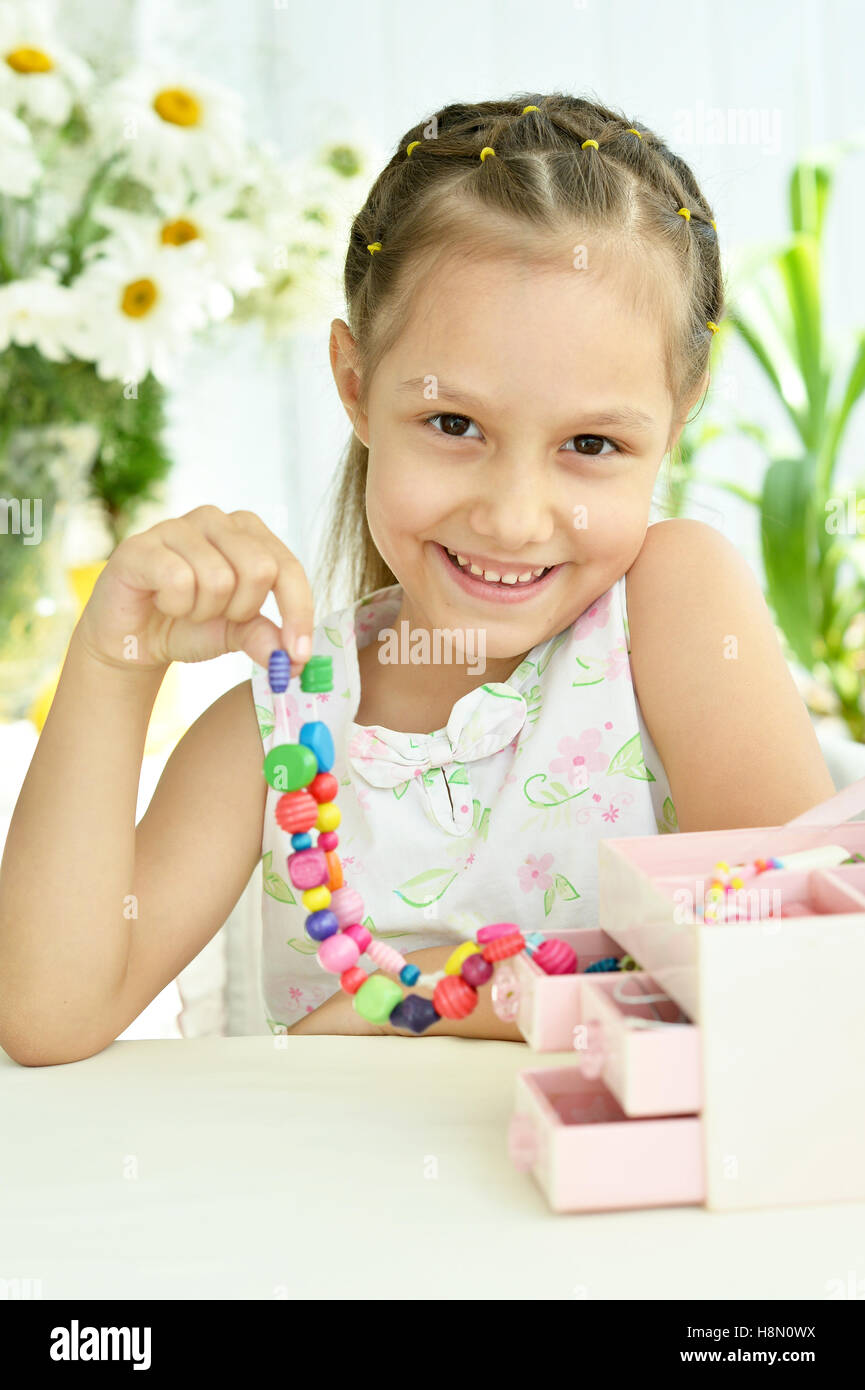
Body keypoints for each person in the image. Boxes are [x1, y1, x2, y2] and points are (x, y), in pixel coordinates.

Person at [0, 93, 834, 1064]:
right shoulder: (275, 739)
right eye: (453, 425)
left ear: (677, 418)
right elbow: (46, 1015)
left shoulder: (669, 610)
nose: (514, 514)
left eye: (591, 443)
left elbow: (790, 957)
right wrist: (114, 659)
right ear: (356, 386)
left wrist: (408, 1003)